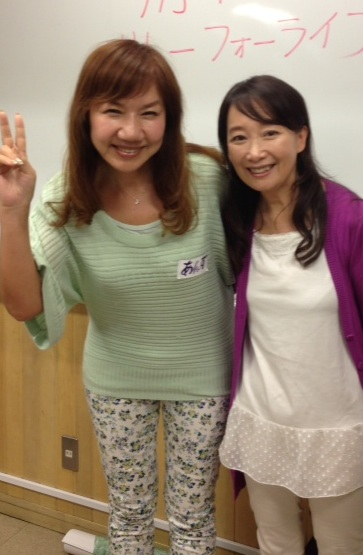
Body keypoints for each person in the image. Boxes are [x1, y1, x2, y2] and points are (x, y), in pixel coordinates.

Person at [0, 39, 234, 555]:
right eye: (113, 111)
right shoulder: (66, 198)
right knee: (128, 516)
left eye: (149, 113)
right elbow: (24, 305)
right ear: (86, 115)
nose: (131, 131)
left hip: (204, 380)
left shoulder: (208, 180)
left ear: (169, 118)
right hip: (116, 381)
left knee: (193, 521)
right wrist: (11, 212)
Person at [217, 75, 363, 555]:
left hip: (339, 428)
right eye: (239, 137)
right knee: (275, 543)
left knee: (340, 546)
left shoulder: (352, 220)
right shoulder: (237, 220)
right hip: (261, 420)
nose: (255, 152)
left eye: (270, 133)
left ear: (301, 137)